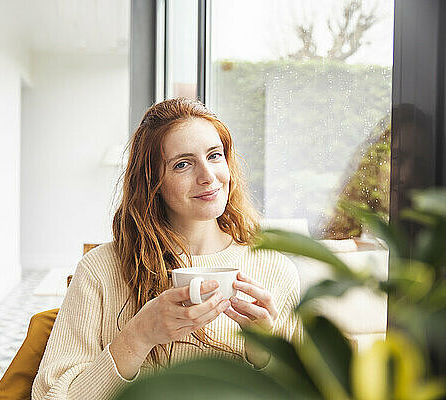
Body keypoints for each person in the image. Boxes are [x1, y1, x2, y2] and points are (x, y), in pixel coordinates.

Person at [31, 98, 302, 400]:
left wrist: (263, 352)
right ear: (152, 181)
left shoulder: (276, 270)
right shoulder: (101, 269)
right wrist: (139, 335)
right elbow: (50, 396)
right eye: (182, 164)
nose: (208, 176)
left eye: (215, 155)